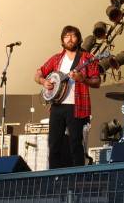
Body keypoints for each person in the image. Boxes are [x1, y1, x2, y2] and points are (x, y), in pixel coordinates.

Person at [35, 25, 101, 168]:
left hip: (77, 107)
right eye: (66, 36)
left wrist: (82, 78)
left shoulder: (88, 58)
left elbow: (97, 81)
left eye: (73, 36)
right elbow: (38, 73)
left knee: (76, 144)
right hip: (57, 106)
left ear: (78, 39)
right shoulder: (56, 59)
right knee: (53, 144)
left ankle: (77, 177)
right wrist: (44, 81)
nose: (70, 39)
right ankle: (54, 178)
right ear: (62, 40)